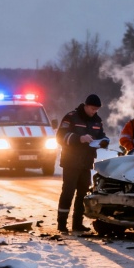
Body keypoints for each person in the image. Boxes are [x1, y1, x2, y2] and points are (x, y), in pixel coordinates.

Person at [56, 94, 108, 234]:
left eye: (96, 110)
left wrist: (104, 141)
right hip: (71, 161)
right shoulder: (71, 117)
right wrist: (79, 138)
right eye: (92, 109)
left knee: (83, 193)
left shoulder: (97, 121)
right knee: (68, 192)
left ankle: (77, 224)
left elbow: (101, 135)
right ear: (85, 106)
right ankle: (61, 223)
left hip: (86, 162)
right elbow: (60, 137)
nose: (94, 112)